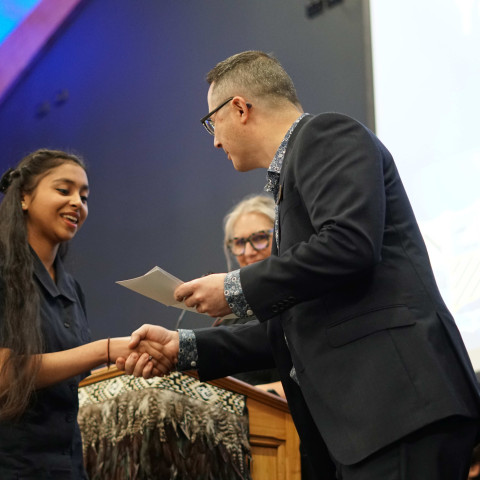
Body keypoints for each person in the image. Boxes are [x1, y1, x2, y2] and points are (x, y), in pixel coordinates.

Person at [119, 51, 480, 479]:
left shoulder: (324, 135)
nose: (214, 141)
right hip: (370, 424)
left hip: (396, 408)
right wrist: (185, 347)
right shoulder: (291, 186)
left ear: (238, 107)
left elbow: (349, 244)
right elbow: (294, 328)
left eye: (210, 123)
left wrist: (233, 288)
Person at [0, 149, 165, 479]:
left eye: (84, 196)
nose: (78, 203)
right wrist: (104, 350)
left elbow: (72, 375)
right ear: (24, 197)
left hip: (68, 464)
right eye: (64, 190)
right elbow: (5, 376)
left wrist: (134, 361)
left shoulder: (71, 288)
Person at [216, 193, 284, 397]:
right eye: (239, 243)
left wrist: (243, 397)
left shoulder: (300, 302)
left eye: (260, 238)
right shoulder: (229, 314)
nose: (248, 252)